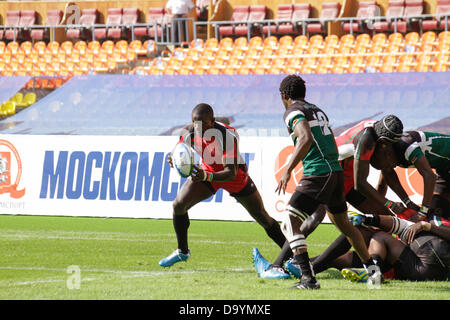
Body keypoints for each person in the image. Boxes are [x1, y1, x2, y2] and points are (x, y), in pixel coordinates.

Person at [253, 119, 395, 280]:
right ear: (383, 141)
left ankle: (294, 265)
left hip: (342, 173)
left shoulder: (376, 130)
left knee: (374, 219)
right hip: (332, 172)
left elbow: (376, 173)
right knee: (321, 219)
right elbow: (361, 182)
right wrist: (393, 204)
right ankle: (279, 265)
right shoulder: (367, 141)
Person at [273, 75, 379, 289]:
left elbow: (305, 138)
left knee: (290, 222)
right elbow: (329, 138)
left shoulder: (292, 111)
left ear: (283, 95)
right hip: (336, 172)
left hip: (318, 173)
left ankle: (308, 279)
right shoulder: (317, 110)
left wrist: (287, 170)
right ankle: (374, 273)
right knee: (345, 226)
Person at [159, 103, 287, 267]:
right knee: (178, 205)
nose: (198, 128)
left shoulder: (226, 135)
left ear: (212, 121)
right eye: (195, 123)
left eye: (203, 124)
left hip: (234, 178)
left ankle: (293, 256)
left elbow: (231, 172)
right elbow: (179, 151)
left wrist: (205, 175)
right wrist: (173, 158)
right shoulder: (188, 131)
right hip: (208, 172)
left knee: (263, 218)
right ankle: (182, 252)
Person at [342, 212, 450, 282]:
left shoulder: (424, 222)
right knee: (381, 236)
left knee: (380, 236)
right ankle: (371, 272)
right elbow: (398, 225)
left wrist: (425, 225)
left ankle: (372, 272)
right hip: (426, 265)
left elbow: (399, 225)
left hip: (428, 262)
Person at [371, 130, 450, 220]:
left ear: (388, 154)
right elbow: (383, 184)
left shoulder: (408, 147)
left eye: (386, 166)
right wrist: (408, 202)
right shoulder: (385, 156)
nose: (387, 168)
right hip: (444, 167)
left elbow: (429, 177)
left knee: (435, 211)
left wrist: (422, 212)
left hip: (445, 165)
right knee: (436, 210)